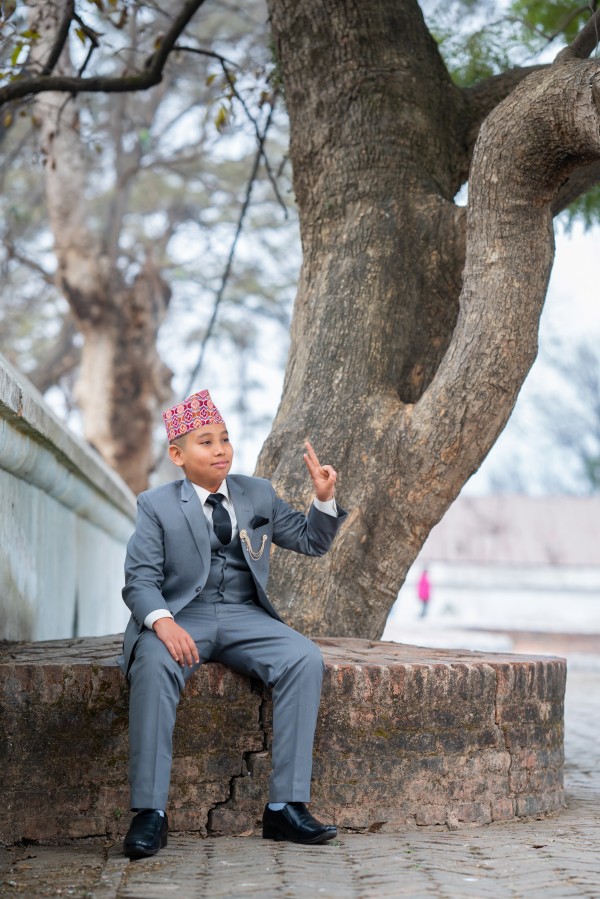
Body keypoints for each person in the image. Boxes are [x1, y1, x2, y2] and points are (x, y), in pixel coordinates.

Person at [118, 389, 347, 859]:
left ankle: (285, 808)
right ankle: (150, 813)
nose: (220, 449)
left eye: (224, 438)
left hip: (245, 615)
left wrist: (323, 501)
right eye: (206, 442)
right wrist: (162, 624)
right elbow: (139, 580)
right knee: (154, 665)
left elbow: (310, 542)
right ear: (178, 455)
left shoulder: (257, 492)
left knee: (303, 658)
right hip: (183, 615)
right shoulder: (156, 504)